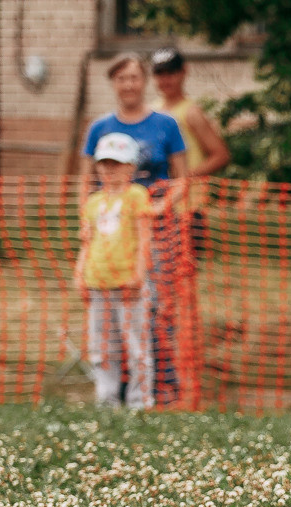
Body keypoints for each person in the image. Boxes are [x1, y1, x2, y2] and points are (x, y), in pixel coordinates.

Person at [81, 53, 187, 407]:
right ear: (114, 83)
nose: (129, 84)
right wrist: (86, 225)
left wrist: (155, 210)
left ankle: (154, 390)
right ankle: (111, 394)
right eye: (121, 78)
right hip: (108, 236)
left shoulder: (166, 124)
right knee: (106, 325)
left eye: (134, 77)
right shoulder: (99, 127)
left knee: (151, 312)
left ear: (145, 81)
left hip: (153, 235)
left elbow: (182, 179)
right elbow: (85, 184)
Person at [74, 133, 153, 409]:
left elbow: (145, 237)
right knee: (103, 347)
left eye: (117, 164)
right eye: (105, 164)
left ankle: (139, 401)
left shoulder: (137, 196)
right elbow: (87, 241)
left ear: (131, 167)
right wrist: (80, 272)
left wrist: (139, 273)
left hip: (128, 283)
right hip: (98, 282)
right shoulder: (93, 202)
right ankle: (106, 400)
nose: (110, 170)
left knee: (136, 346)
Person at [150, 47, 231, 258]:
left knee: (183, 268)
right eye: (160, 73)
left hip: (187, 204)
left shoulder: (191, 112)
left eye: (171, 73)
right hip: (156, 201)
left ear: (183, 72)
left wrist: (186, 176)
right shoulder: (152, 111)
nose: (165, 79)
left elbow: (220, 154)